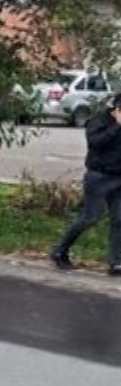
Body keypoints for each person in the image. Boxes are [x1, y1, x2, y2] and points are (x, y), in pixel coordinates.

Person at [50, 91, 121, 276]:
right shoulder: (99, 120)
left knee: (119, 220)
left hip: (119, 177)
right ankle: (60, 251)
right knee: (90, 216)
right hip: (99, 177)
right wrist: (117, 127)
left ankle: (116, 263)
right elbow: (95, 142)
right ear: (116, 108)